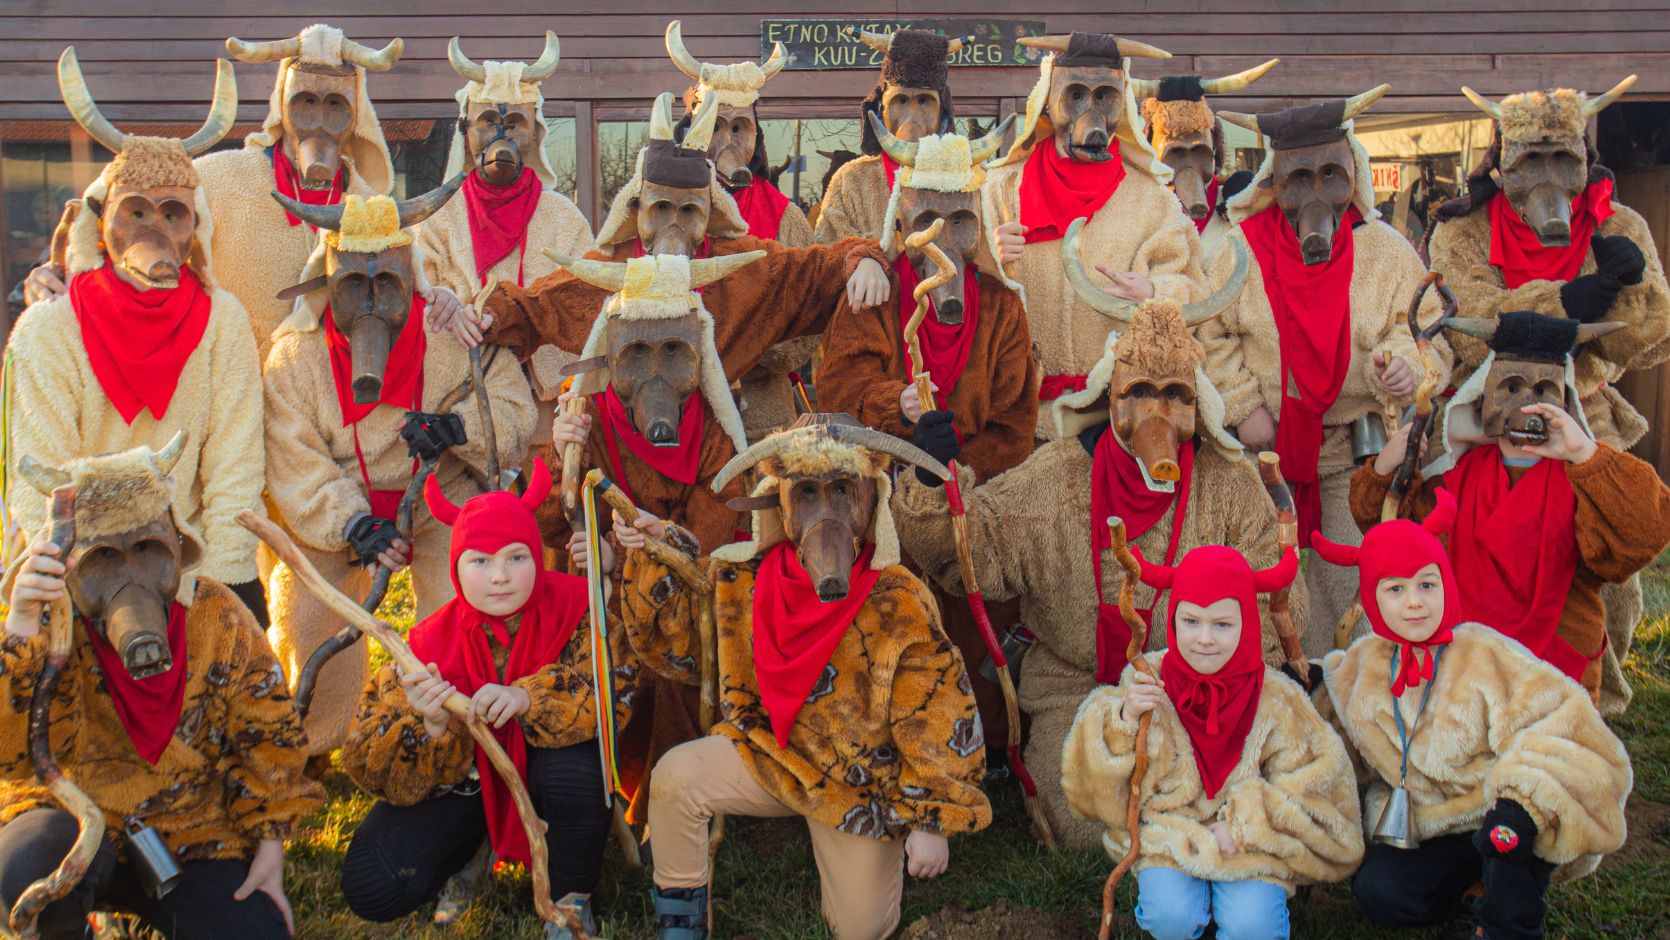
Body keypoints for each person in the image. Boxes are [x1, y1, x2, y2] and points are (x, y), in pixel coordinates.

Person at [896, 288, 1305, 850]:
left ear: (1197, 405)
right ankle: (1173, 837)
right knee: (1080, 821)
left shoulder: (1228, 482)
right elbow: (967, 555)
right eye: (1139, 392)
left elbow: (1280, 599)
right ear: (1111, 399)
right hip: (1074, 682)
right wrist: (931, 479)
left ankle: (1177, 834)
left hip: (1195, 687)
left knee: (1197, 789)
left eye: (1175, 395)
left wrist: (1218, 675)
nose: (1157, 413)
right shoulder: (1060, 473)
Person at [617, 414, 991, 940]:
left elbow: (937, 708)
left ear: (868, 501)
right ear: (782, 502)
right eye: (809, 494)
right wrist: (654, 548)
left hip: (857, 785)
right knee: (677, 776)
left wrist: (931, 821)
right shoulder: (740, 580)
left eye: (842, 492)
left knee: (860, 929)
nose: (827, 513)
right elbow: (678, 646)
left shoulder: (897, 600)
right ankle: (680, 927)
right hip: (769, 753)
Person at [0, 442, 320, 940]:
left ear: (177, 547)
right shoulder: (52, 619)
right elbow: (10, 753)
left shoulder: (217, 616)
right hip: (74, 817)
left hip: (191, 826)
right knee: (23, 871)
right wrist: (21, 628)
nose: (131, 579)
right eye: (103, 559)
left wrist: (269, 847)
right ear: (69, 565)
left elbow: (267, 731)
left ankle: (144, 917)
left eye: (149, 551)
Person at [1428, 77, 1670, 713]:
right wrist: (1562, 304)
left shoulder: (1620, 223)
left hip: (1584, 407)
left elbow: (1648, 343)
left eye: (1562, 159)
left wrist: (1630, 291)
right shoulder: (1462, 229)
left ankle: (1594, 692)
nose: (1548, 176)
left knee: (1611, 563)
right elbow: (1469, 330)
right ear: (1504, 162)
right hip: (1487, 408)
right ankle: (1476, 676)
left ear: (1584, 161)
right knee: (1478, 547)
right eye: (1531, 160)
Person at [5, 51, 267, 622]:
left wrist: (214, 593)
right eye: (135, 212)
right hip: (84, 574)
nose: (154, 230)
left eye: (173, 214)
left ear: (196, 229)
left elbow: (235, 469)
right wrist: (75, 582)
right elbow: (36, 477)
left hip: (188, 572)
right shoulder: (49, 328)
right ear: (102, 225)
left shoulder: (223, 320)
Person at [1312, 491, 1632, 940]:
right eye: (1395, 589)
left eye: (1427, 584)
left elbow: (1564, 722)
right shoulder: (1358, 669)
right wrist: (1302, 685)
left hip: (1495, 813)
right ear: (1371, 597)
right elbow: (1326, 738)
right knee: (1378, 892)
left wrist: (1520, 803)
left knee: (1509, 837)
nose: (1415, 603)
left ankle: (1505, 917)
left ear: (1445, 583)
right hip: (1427, 826)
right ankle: (1470, 896)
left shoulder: (1485, 653)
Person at [338, 460, 638, 937]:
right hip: (470, 782)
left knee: (575, 772)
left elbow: (612, 691)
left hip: (547, 774)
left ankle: (569, 897)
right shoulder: (427, 644)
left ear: (537, 558)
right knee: (374, 885)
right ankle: (472, 847)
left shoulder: (578, 606)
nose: (499, 576)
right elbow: (364, 758)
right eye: (480, 561)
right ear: (456, 567)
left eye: (516, 558)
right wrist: (431, 728)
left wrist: (527, 698)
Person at [1199, 88, 1450, 646]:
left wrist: (1406, 366)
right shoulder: (1238, 251)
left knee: (1352, 578)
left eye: (1330, 176)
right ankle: (1273, 682)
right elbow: (1209, 332)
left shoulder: (1385, 250)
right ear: (1273, 182)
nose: (1317, 194)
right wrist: (1243, 405)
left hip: (1356, 450)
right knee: (1265, 577)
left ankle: (1342, 690)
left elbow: (1423, 324)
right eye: (1298, 180)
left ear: (1353, 176)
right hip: (1262, 453)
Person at [1352, 310, 1670, 702]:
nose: (1525, 406)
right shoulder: (1458, 477)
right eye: (1511, 388)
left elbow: (1643, 531)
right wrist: (1386, 467)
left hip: (1557, 676)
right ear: (1484, 398)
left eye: (1542, 393)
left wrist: (1584, 452)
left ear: (1564, 402)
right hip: (1467, 671)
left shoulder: (1584, 480)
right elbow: (1390, 534)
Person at [1062, 545, 1363, 940]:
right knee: (1169, 917)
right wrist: (1125, 718)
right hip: (1172, 833)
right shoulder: (1148, 680)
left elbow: (1317, 783)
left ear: (1248, 624)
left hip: (1247, 845)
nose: (1204, 639)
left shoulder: (1275, 698)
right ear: (1174, 618)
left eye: (1222, 625)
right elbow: (1093, 788)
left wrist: (1244, 825)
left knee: (1252, 927)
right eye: (1191, 621)